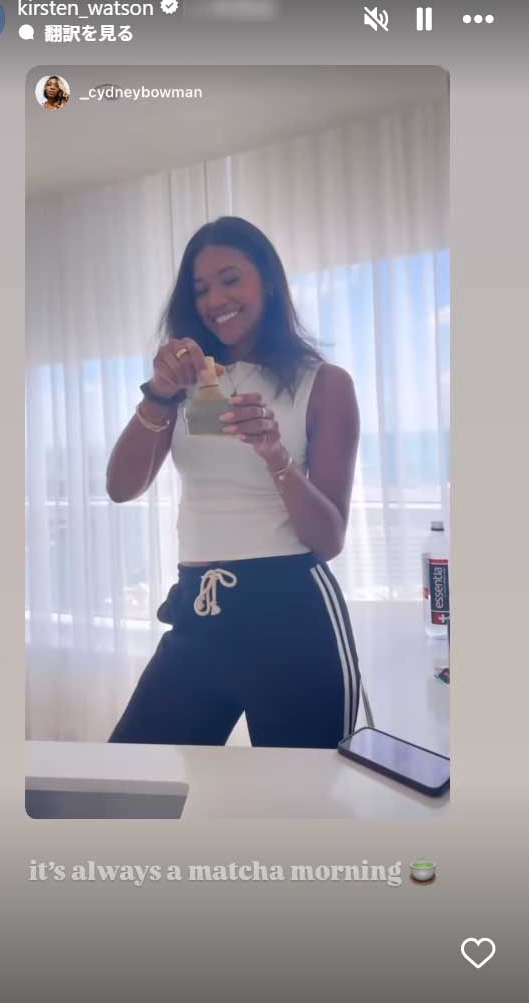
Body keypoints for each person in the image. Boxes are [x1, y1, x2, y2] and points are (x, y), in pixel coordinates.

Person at [106, 216, 363, 749]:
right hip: (200, 611)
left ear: (267, 281)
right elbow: (120, 487)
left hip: (294, 615)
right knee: (134, 778)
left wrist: (274, 455)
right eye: (201, 289)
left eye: (229, 279)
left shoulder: (325, 385)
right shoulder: (187, 383)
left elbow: (329, 538)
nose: (215, 300)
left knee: (304, 794)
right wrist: (158, 392)